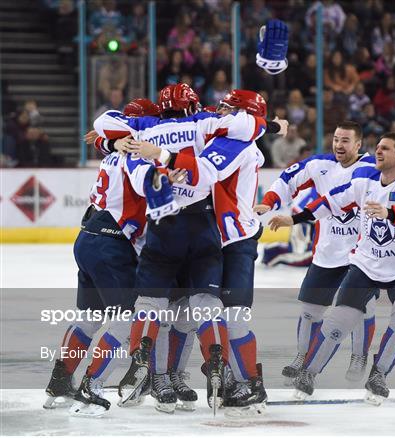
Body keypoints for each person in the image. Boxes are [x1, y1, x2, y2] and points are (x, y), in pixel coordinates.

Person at [93, 84, 285, 413]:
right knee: (187, 312)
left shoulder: (234, 142)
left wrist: (149, 152)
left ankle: (246, 383)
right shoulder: (211, 129)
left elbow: (206, 172)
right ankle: (178, 377)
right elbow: (212, 126)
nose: (218, 110)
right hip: (211, 235)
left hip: (230, 240)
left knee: (225, 316)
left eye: (227, 108)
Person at [268, 132, 395, 406]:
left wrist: (389, 213)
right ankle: (308, 374)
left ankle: (379, 375)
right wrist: (294, 219)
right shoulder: (365, 182)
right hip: (365, 265)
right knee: (337, 324)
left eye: (385, 149)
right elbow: (330, 203)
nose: (378, 152)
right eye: (377, 147)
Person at [44, 99, 161, 416]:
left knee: (89, 316)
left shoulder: (115, 148)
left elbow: (105, 121)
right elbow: (146, 186)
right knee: (127, 317)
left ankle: (60, 382)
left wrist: (105, 140)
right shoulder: (136, 152)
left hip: (88, 236)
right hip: (111, 242)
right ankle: (91, 386)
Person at [254, 121, 377, 384]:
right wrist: (269, 201)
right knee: (310, 311)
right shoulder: (319, 165)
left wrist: (296, 218)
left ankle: (359, 356)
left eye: (345, 141)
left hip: (359, 257)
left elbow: (342, 197)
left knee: (361, 309)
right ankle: (302, 357)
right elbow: (287, 179)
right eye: (336, 139)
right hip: (326, 253)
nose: (338, 145)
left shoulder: (369, 170)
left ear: (358, 145)